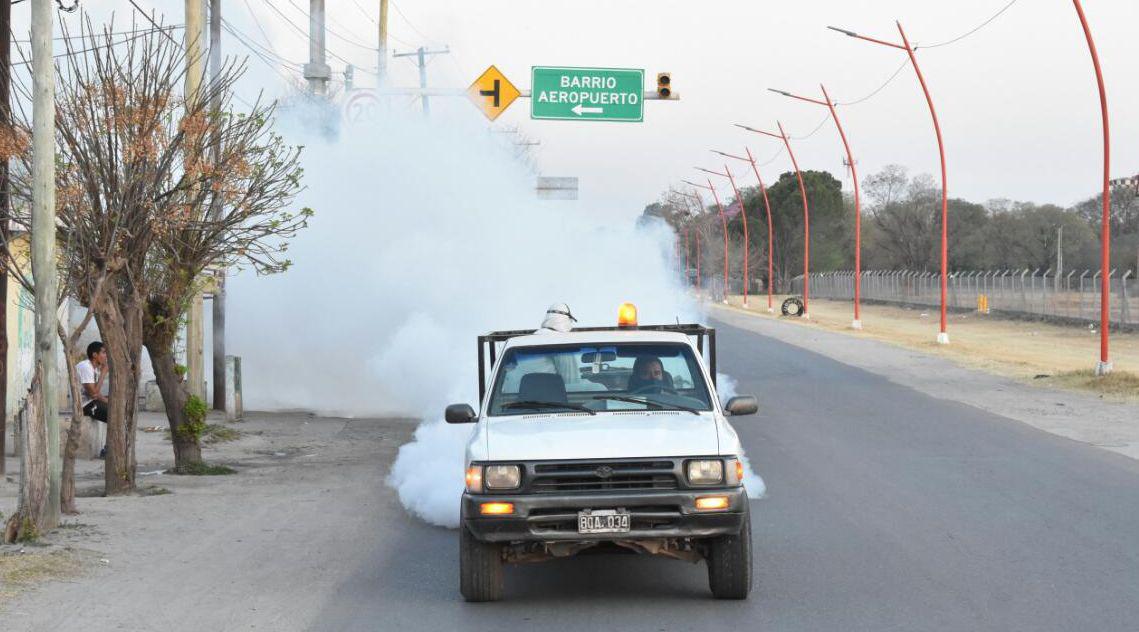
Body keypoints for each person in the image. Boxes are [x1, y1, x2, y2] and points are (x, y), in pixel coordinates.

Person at [76, 341, 109, 422]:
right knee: (114, 414)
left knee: (117, 401)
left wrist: (107, 400)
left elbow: (96, 393)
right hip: (85, 406)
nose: (106, 356)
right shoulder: (86, 367)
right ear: (94, 355)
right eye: (104, 353)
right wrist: (104, 372)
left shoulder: (95, 368)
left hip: (92, 401)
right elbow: (94, 394)